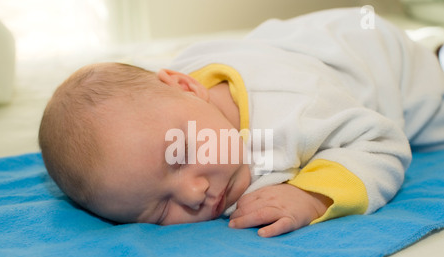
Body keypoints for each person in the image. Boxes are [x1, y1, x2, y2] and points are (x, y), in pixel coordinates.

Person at [39, 8, 444, 238]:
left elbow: (381, 143)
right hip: (300, 43)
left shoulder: (295, 112)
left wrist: (314, 195)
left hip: (386, 61)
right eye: (160, 210)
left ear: (187, 85)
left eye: (179, 155)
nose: (195, 193)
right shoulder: (173, 107)